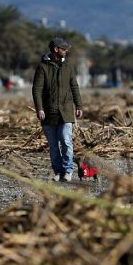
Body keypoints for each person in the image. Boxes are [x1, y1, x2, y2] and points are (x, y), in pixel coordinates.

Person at [32, 37, 83, 182]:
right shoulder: (43, 67)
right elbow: (37, 90)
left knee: (66, 140)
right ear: (56, 49)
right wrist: (39, 108)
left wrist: (79, 106)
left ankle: (68, 170)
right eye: (64, 49)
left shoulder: (68, 67)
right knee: (54, 145)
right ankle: (58, 171)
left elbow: (74, 86)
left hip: (66, 110)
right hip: (48, 112)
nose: (66, 51)